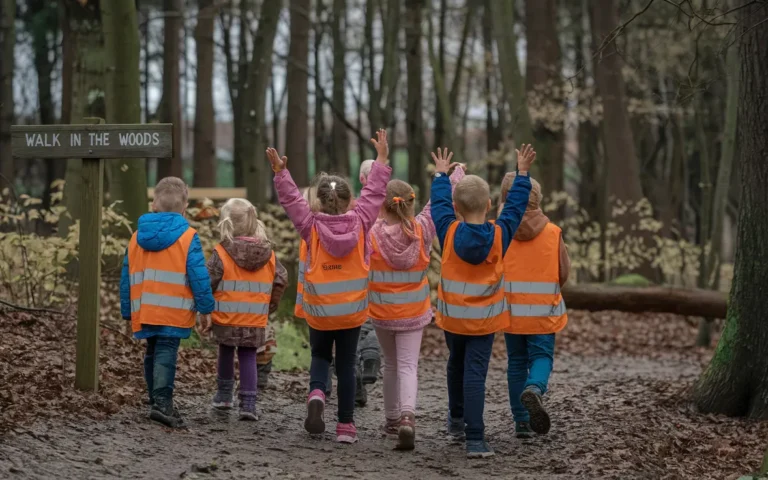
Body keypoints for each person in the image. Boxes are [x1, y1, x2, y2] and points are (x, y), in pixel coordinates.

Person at [267, 129, 391, 444]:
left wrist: (282, 174)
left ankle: (317, 394)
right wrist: (381, 160)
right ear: (350, 200)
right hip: (351, 311)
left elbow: (292, 202)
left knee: (321, 357)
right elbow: (375, 193)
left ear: (318, 201)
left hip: (319, 309)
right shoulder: (362, 221)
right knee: (347, 364)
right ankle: (346, 426)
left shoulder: (311, 226)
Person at [431, 145, 536, 458]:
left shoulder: (448, 231)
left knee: (455, 363)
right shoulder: (500, 235)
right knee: (474, 373)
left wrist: (440, 175)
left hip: (453, 319)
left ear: (457, 207)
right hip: (484, 321)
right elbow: (516, 207)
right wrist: (522, 174)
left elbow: (438, 204)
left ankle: (456, 419)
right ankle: (475, 439)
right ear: (491, 205)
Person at [368, 153, 465, 450]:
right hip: (414, 312)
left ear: (383, 206)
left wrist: (377, 168)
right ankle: (408, 418)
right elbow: (437, 205)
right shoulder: (422, 229)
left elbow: (365, 206)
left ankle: (392, 419)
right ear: (410, 202)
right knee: (409, 365)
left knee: (391, 365)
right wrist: (451, 174)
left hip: (383, 312)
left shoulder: (372, 233)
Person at [120, 176, 215, 429]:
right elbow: (198, 273)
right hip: (173, 310)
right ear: (184, 208)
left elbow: (126, 275)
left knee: (152, 351)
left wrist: (127, 309)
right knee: (165, 353)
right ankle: (162, 403)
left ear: (153, 204)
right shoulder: (188, 236)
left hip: (146, 308)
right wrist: (206, 308)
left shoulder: (137, 236)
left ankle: (156, 399)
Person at [499, 172, 570, 438]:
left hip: (511, 310)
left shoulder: (501, 230)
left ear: (505, 199)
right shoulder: (553, 233)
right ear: (538, 198)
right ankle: (535, 389)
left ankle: (521, 421)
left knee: (516, 361)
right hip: (543, 309)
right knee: (541, 356)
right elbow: (563, 271)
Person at [204, 198, 288, 420]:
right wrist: (270, 305)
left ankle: (223, 396)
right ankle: (248, 405)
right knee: (249, 355)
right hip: (255, 316)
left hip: (226, 315)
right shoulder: (268, 253)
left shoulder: (221, 252)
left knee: (226, 351)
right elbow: (281, 279)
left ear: (226, 223)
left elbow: (208, 280)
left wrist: (204, 307)